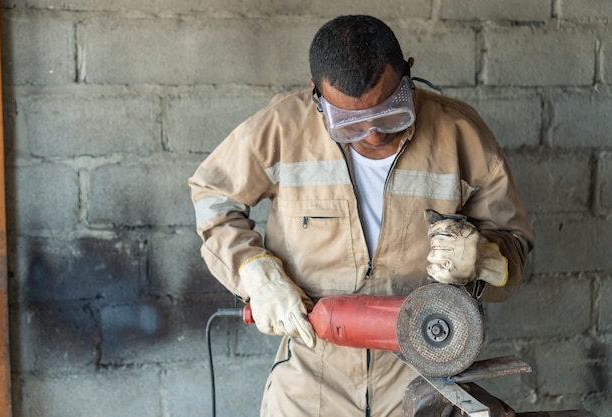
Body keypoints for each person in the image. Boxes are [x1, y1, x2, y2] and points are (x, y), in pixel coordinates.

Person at [189, 15, 534, 417]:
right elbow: (213, 196)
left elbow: (516, 249)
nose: (373, 135)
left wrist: (486, 258)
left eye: (390, 112)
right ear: (318, 96)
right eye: (350, 123)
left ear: (409, 73)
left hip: (425, 373)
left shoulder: (459, 132)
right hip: (309, 377)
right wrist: (253, 270)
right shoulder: (284, 127)